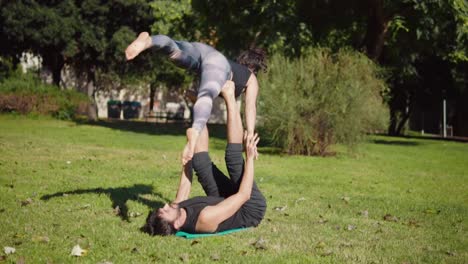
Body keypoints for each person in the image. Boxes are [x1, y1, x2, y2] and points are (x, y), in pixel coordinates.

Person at [142, 81, 266, 235]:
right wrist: (249, 157)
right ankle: (229, 94)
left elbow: (185, 186)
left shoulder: (177, 208)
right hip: (248, 207)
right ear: (177, 223)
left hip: (224, 201)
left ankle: (199, 103)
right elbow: (244, 195)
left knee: (199, 163)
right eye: (165, 211)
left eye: (163, 207)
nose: (166, 205)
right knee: (233, 158)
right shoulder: (206, 218)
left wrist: (187, 157)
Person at [125, 32, 267, 163]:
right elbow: (250, 107)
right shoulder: (251, 78)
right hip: (218, 66)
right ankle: (195, 130)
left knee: (174, 50)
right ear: (254, 68)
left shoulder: (232, 65)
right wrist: (250, 132)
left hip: (205, 51)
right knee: (207, 95)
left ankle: (148, 41)